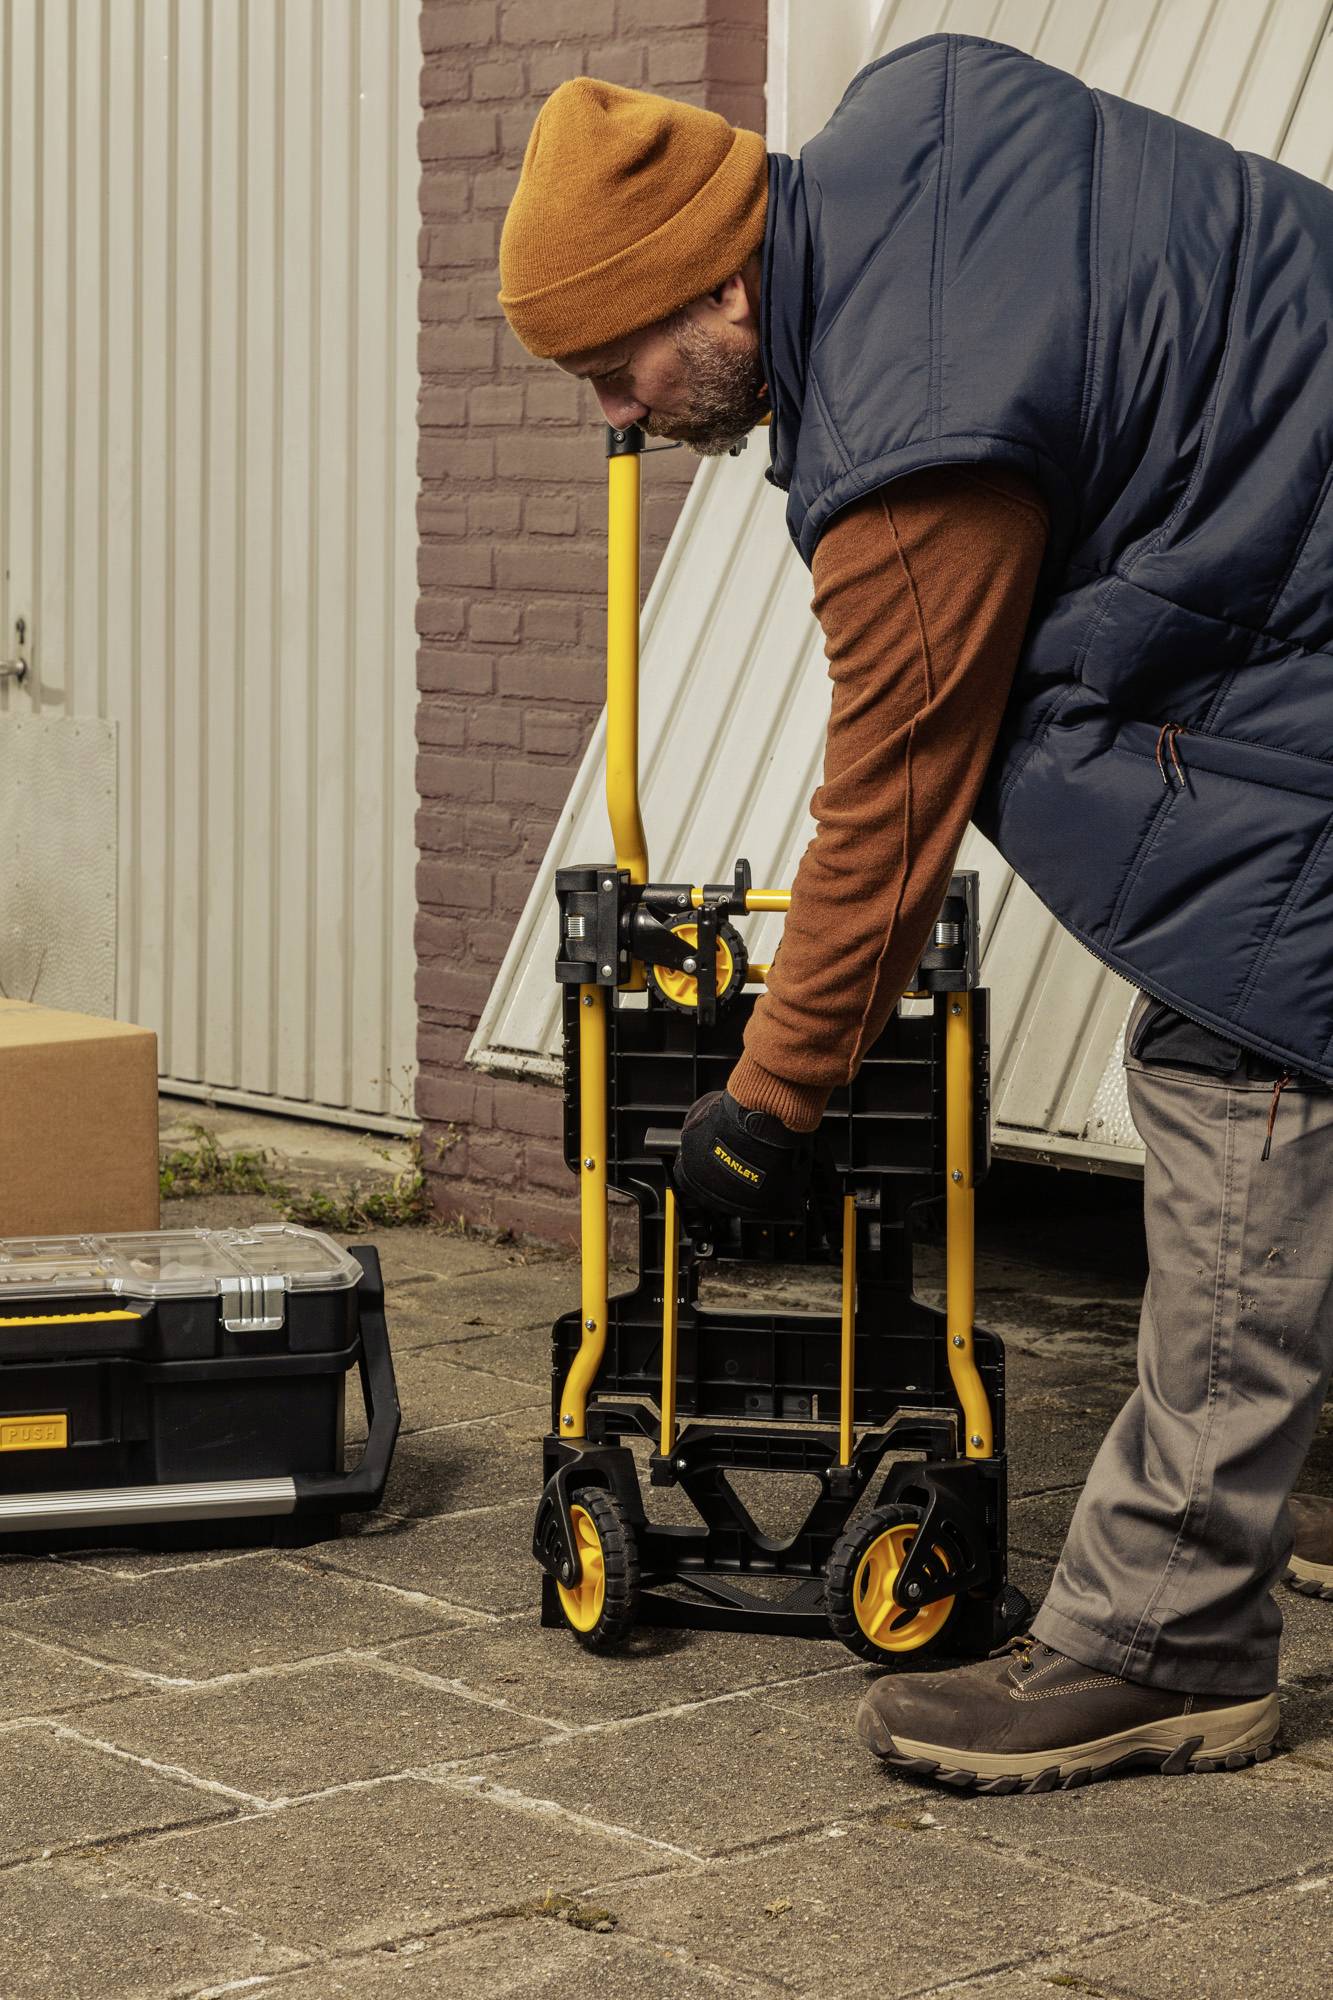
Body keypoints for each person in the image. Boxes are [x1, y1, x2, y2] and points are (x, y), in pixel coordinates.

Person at [496, 33, 1333, 1791]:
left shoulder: (913, 428)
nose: (619, 413)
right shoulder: (922, 118)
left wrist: (770, 1102)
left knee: (1239, 1070)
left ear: (723, 281)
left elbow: (888, 802)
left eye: (615, 358)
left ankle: (1163, 1646)